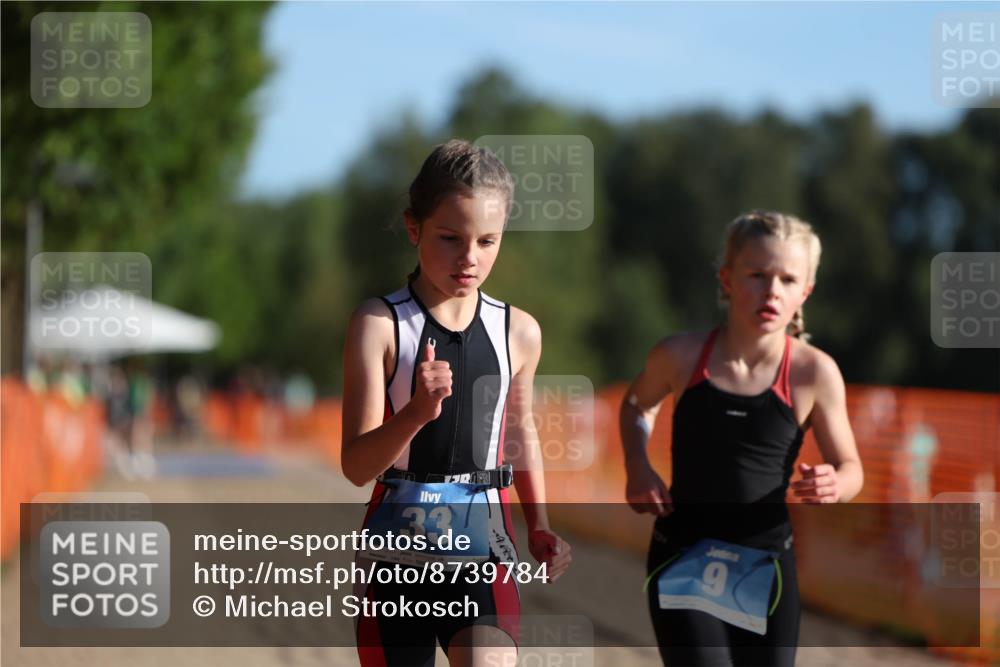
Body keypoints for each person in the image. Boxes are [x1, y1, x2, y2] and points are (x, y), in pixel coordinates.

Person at [341, 139, 572, 667]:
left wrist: (539, 522)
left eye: (488, 241)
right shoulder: (378, 325)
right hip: (396, 548)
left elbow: (519, 432)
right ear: (413, 228)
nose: (470, 258)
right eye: (451, 238)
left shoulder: (519, 331)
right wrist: (418, 413)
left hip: (484, 541)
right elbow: (356, 466)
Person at [620, 210, 864, 666]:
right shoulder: (680, 355)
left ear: (805, 291)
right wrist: (637, 464)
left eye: (789, 280)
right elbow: (637, 406)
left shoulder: (814, 372)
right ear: (727, 278)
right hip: (684, 555)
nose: (772, 290)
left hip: (766, 562)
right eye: (758, 274)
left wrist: (837, 483)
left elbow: (852, 468)